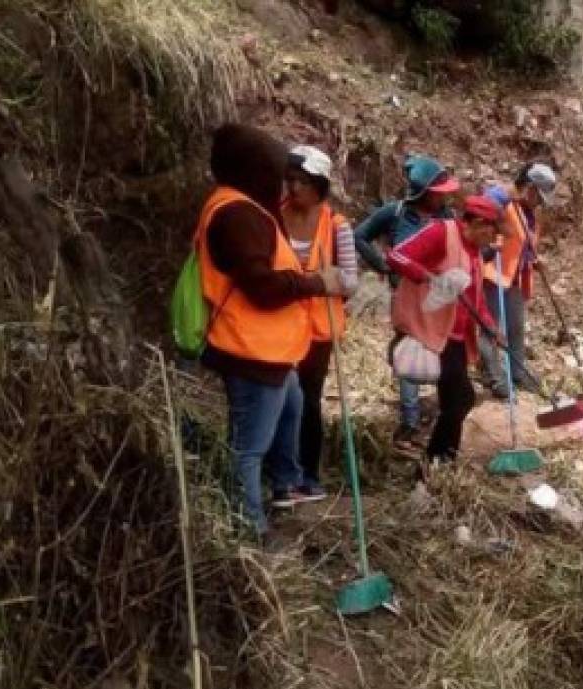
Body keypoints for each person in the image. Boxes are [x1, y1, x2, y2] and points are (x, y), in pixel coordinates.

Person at [194, 124, 343, 538]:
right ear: (252, 170)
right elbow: (262, 287)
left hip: (270, 351)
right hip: (250, 351)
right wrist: (316, 283)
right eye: (279, 175)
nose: (284, 186)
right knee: (248, 447)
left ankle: (285, 484)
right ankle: (248, 531)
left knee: (292, 404)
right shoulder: (239, 214)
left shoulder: (245, 207)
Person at [385, 195, 502, 465]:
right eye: (492, 232)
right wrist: (425, 275)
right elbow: (396, 256)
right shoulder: (441, 232)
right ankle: (437, 461)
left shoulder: (473, 252)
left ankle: (441, 460)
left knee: (459, 400)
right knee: (460, 398)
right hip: (436, 332)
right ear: (482, 224)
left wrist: (489, 326)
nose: (493, 240)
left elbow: (475, 297)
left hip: (458, 334)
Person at [354, 155, 459, 444]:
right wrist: (383, 265)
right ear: (424, 193)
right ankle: (410, 422)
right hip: (405, 295)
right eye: (439, 194)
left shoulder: (447, 219)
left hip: (439, 297)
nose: (445, 197)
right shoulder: (395, 213)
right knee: (410, 350)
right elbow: (359, 236)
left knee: (441, 348)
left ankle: (440, 414)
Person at [282, 145, 358, 500]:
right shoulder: (275, 217)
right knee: (281, 398)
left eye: (303, 182)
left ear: (320, 186)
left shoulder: (335, 225)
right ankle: (280, 472)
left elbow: (351, 281)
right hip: (278, 324)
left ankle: (307, 474)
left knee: (308, 400)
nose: (294, 188)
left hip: (318, 328)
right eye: (291, 180)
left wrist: (324, 279)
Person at [479, 162, 558, 398]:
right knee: (490, 329)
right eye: (539, 196)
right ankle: (494, 377)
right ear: (530, 188)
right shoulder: (500, 197)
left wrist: (534, 260)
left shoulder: (529, 213)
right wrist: (490, 240)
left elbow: (524, 243)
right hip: (493, 273)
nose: (540, 203)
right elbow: (478, 220)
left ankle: (517, 373)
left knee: (516, 329)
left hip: (514, 277)